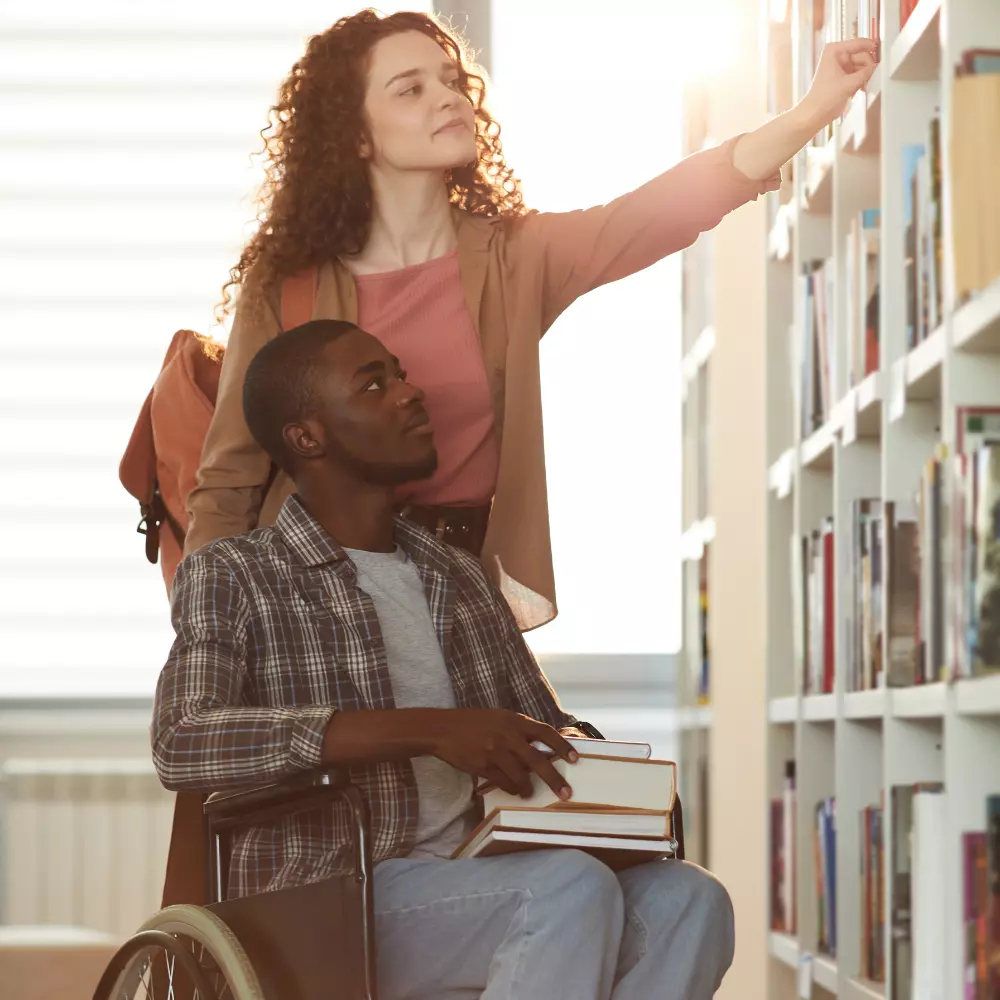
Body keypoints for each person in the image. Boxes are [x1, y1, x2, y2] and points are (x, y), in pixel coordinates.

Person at [185, 7, 877, 633]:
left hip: (460, 585)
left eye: (450, 79)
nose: (447, 96)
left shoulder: (513, 257)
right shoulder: (287, 289)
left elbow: (655, 214)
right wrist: (210, 635)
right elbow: (229, 484)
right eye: (411, 89)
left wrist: (814, 108)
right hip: (310, 597)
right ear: (355, 136)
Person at [153, 319, 734, 1000]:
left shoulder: (456, 576)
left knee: (691, 902)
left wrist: (580, 766)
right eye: (374, 384)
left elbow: (543, 721)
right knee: (561, 891)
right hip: (326, 895)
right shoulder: (237, 573)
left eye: (400, 374)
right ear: (307, 437)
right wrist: (432, 729)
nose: (409, 393)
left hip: (479, 871)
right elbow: (182, 740)